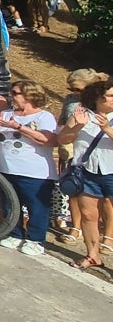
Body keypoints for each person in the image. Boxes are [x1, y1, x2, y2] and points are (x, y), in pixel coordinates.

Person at [0, 80, 58, 255]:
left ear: (29, 95)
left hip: (35, 172)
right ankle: (15, 234)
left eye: (15, 93)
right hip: (6, 168)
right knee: (10, 204)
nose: (11, 96)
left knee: (36, 207)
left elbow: (48, 140)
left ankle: (36, 240)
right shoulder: (6, 114)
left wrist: (19, 127)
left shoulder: (44, 116)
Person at [56, 78, 113, 270]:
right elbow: (62, 138)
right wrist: (77, 127)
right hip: (86, 171)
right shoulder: (81, 114)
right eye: (109, 96)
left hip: (111, 171)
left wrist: (107, 129)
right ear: (97, 98)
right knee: (89, 215)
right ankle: (92, 255)